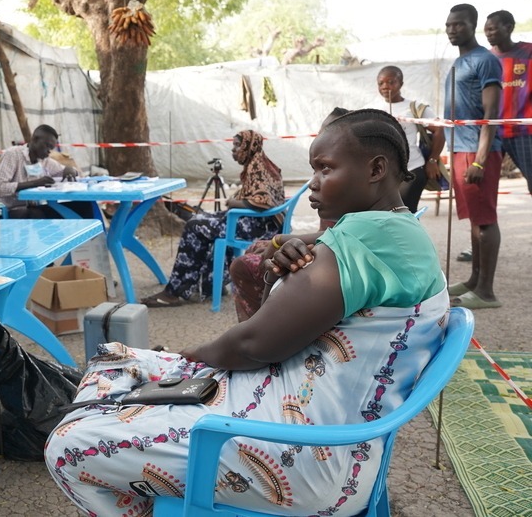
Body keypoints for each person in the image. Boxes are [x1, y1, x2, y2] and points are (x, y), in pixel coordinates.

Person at [45, 109, 449, 516]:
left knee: (66, 446)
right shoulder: (392, 231)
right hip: (317, 434)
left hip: (301, 457)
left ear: (376, 169)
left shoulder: (366, 239)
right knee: (113, 359)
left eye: (325, 168)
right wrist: (281, 269)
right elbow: (279, 316)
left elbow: (254, 344)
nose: (313, 182)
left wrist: (189, 356)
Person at [229, 108, 348, 322]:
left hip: (322, 255)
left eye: (324, 169)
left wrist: (279, 241)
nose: (313, 183)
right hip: (321, 246)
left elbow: (342, 237)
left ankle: (257, 331)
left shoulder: (350, 190)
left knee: (243, 263)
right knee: (255, 248)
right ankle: (257, 328)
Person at [141, 130, 284, 308]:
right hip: (256, 221)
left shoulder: (258, 167)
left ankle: (175, 291)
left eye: (237, 145)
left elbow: (262, 202)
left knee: (194, 226)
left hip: (259, 226)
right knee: (199, 220)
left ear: (249, 146)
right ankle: (210, 284)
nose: (233, 150)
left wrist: (233, 202)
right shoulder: (259, 163)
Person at [444, 4, 503, 309]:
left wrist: (479, 160)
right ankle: (474, 281)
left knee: (486, 220)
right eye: (448, 25)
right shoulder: (459, 61)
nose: (452, 30)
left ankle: (486, 292)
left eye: (458, 24)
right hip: (460, 148)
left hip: (477, 151)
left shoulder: (485, 60)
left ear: (473, 25)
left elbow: (491, 114)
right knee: (475, 220)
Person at [371, 65, 445, 212]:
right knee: (384, 213)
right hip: (383, 171)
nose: (385, 86)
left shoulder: (414, 107)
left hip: (411, 169)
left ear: (401, 83)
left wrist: (432, 160)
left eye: (391, 82)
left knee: (405, 211)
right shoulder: (371, 108)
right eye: (381, 83)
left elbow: (439, 129)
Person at [0, 124, 84, 219]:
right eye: (47, 146)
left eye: (51, 148)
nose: (49, 151)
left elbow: (67, 171)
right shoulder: (13, 155)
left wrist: (70, 170)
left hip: (34, 207)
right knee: (38, 215)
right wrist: (35, 183)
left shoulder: (45, 161)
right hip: (10, 210)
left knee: (79, 208)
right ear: (34, 140)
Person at [485, 10, 532, 194]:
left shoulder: (528, 52)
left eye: (492, 29)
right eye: (486, 30)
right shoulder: (486, 58)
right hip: (493, 131)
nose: (488, 33)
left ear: (509, 28)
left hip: (525, 131)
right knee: (485, 184)